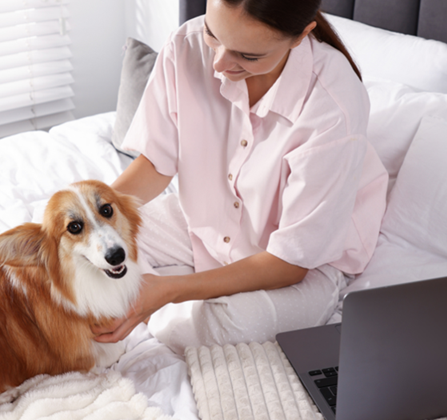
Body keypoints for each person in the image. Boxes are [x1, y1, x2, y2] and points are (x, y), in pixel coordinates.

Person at [93, 0, 388, 353]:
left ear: (300, 37)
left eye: (248, 56)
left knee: (226, 325)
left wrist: (169, 291)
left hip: (300, 266)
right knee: (73, 244)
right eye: (212, 34)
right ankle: (151, 290)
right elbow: (157, 162)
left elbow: (289, 262)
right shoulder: (184, 47)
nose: (218, 64)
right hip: (205, 222)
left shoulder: (333, 106)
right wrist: (92, 215)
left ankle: (159, 298)